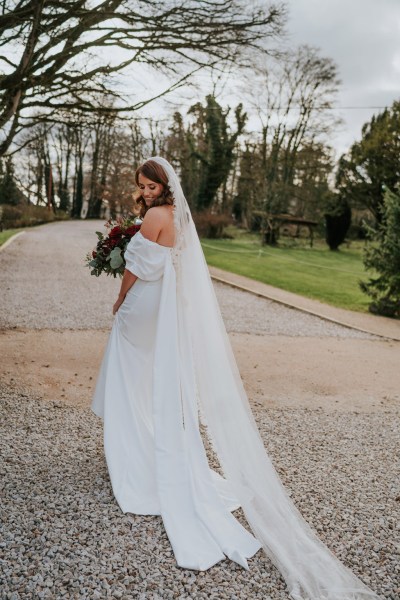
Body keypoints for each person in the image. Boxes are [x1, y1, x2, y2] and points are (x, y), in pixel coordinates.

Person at [92, 157, 380, 599]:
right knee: (145, 375)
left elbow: (138, 267)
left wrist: (119, 296)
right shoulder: (178, 218)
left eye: (151, 186)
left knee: (128, 372)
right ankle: (145, 443)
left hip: (144, 302)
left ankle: (133, 455)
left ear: (163, 185)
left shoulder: (153, 216)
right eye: (142, 186)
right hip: (162, 307)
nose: (146, 192)